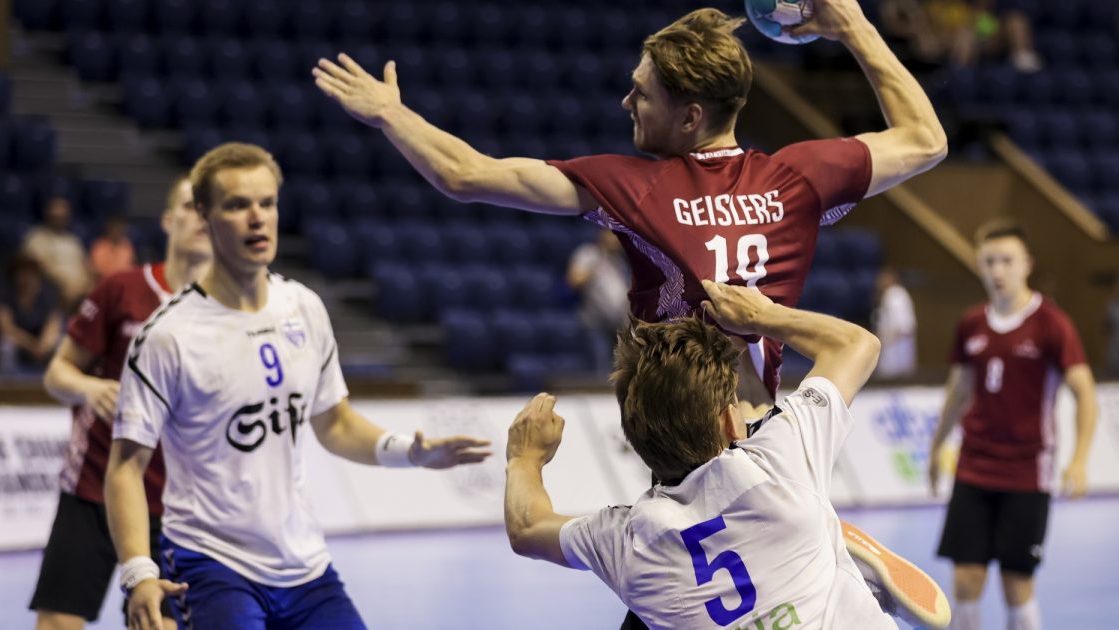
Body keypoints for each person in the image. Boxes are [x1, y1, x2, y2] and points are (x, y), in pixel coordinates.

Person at [315, 0, 947, 625]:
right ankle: (821, 538)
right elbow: (926, 140)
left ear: (690, 116)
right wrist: (853, 26)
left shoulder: (638, 188)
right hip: (763, 444)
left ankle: (829, 550)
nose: (626, 103)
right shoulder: (796, 178)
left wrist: (391, 114)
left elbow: (464, 174)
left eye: (642, 93)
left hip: (695, 452)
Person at [104, 143, 492, 630]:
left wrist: (409, 453)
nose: (257, 218)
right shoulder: (168, 336)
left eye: (267, 203)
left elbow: (336, 424)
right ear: (204, 216)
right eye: (237, 205)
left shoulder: (303, 307)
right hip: (210, 563)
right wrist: (138, 572)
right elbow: (125, 467)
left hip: (304, 565)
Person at [504, 280, 951, 629]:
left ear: (634, 439)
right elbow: (857, 345)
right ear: (730, 422)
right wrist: (763, 315)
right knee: (804, 512)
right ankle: (830, 547)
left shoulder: (626, 541)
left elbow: (527, 528)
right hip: (794, 526)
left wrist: (525, 458)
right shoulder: (778, 458)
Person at [30, 176, 211, 630]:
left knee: (160, 625)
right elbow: (57, 373)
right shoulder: (121, 290)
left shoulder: (233, 310)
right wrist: (90, 389)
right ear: (168, 219)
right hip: (95, 485)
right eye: (190, 205)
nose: (202, 217)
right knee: (58, 623)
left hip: (178, 505)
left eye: (212, 207)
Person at [929, 219, 1097, 630]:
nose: (997, 270)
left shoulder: (1052, 324)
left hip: (1027, 471)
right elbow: (958, 391)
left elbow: (1086, 395)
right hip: (973, 466)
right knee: (965, 578)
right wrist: (937, 447)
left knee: (1016, 582)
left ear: (1027, 265)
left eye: (1006, 260)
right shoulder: (971, 324)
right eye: (989, 262)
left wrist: (1078, 460)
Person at [566, 230, 629, 374]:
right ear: (602, 234)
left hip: (619, 325)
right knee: (600, 368)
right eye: (611, 235)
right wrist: (594, 268)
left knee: (621, 369)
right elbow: (573, 280)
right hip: (595, 323)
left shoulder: (619, 261)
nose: (615, 240)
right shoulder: (588, 253)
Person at [0, 254, 63, 373]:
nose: (25, 278)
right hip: (20, 341)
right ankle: (7, 381)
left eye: (30, 274)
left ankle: (55, 378)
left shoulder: (48, 293)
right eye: (21, 274)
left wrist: (43, 346)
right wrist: (31, 345)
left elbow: (53, 325)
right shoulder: (4, 293)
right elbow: (6, 328)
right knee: (6, 345)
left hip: (41, 342)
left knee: (61, 344)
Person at [23, 196, 91, 308]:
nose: (60, 220)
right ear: (48, 215)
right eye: (56, 216)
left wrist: (89, 284)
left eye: (63, 216)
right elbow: (36, 269)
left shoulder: (73, 240)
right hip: (56, 289)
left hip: (80, 290)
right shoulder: (36, 239)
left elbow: (86, 266)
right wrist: (61, 284)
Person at [872, 267, 917, 378]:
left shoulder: (895, 295)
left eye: (882, 278)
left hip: (896, 348)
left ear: (890, 278)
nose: (879, 282)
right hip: (894, 346)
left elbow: (903, 326)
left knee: (894, 377)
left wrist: (883, 340)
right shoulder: (894, 294)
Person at [90, 214, 137, 281]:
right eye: (115, 227)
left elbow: (132, 268)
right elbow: (96, 271)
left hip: (124, 282)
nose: (117, 230)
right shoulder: (99, 246)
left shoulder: (127, 245)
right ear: (109, 228)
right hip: (106, 283)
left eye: (120, 227)